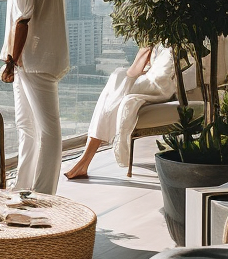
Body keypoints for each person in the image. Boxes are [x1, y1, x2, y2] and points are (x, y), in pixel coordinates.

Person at [0, 0, 69, 194]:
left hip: (31, 61)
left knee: (49, 130)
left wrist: (11, 62)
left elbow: (23, 21)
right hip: (43, 58)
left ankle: (43, 195)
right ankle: (22, 188)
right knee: (26, 125)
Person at [64, 43, 176, 178]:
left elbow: (134, 71)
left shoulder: (159, 40)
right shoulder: (169, 43)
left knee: (117, 82)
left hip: (157, 86)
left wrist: (145, 52)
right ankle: (84, 160)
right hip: (156, 83)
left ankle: (84, 160)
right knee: (111, 96)